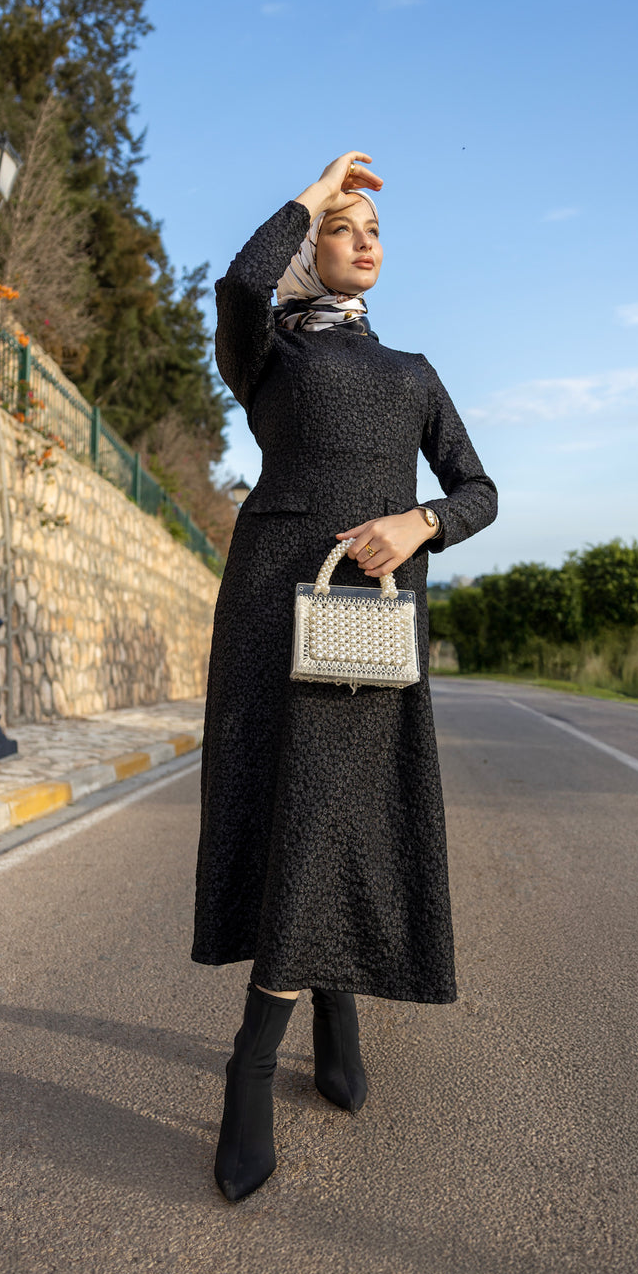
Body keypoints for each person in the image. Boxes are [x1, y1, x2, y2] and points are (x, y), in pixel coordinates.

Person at [192, 150, 498, 1201]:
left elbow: (478, 488)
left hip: (371, 615)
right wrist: (314, 191)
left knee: (337, 808)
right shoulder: (267, 352)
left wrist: (420, 522)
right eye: (342, 229)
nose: (364, 242)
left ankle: (318, 1007)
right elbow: (240, 280)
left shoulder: (412, 371)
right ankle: (257, 1059)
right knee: (289, 803)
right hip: (270, 602)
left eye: (373, 232)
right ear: (310, 250)